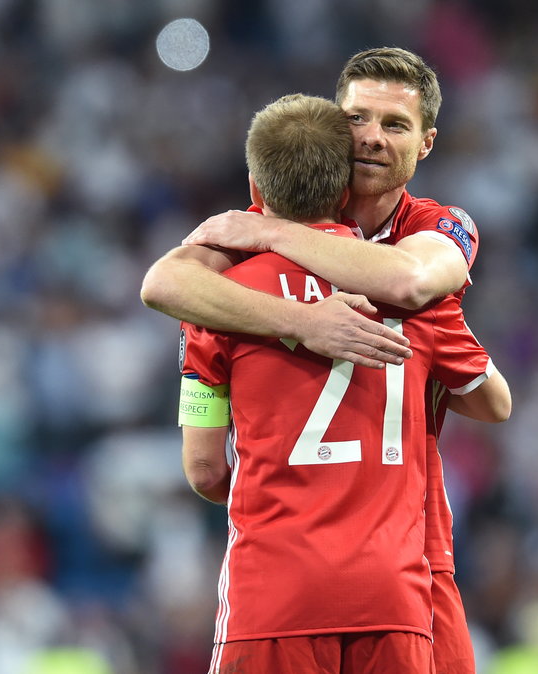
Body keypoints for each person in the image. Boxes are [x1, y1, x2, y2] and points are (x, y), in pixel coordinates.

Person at [142, 47, 495, 674]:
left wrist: (275, 235)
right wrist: (307, 323)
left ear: (427, 143)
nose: (373, 138)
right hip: (386, 570)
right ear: (336, 122)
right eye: (359, 118)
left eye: (395, 125)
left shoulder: (433, 230)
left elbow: (412, 279)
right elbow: (162, 282)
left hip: (405, 554)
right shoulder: (263, 233)